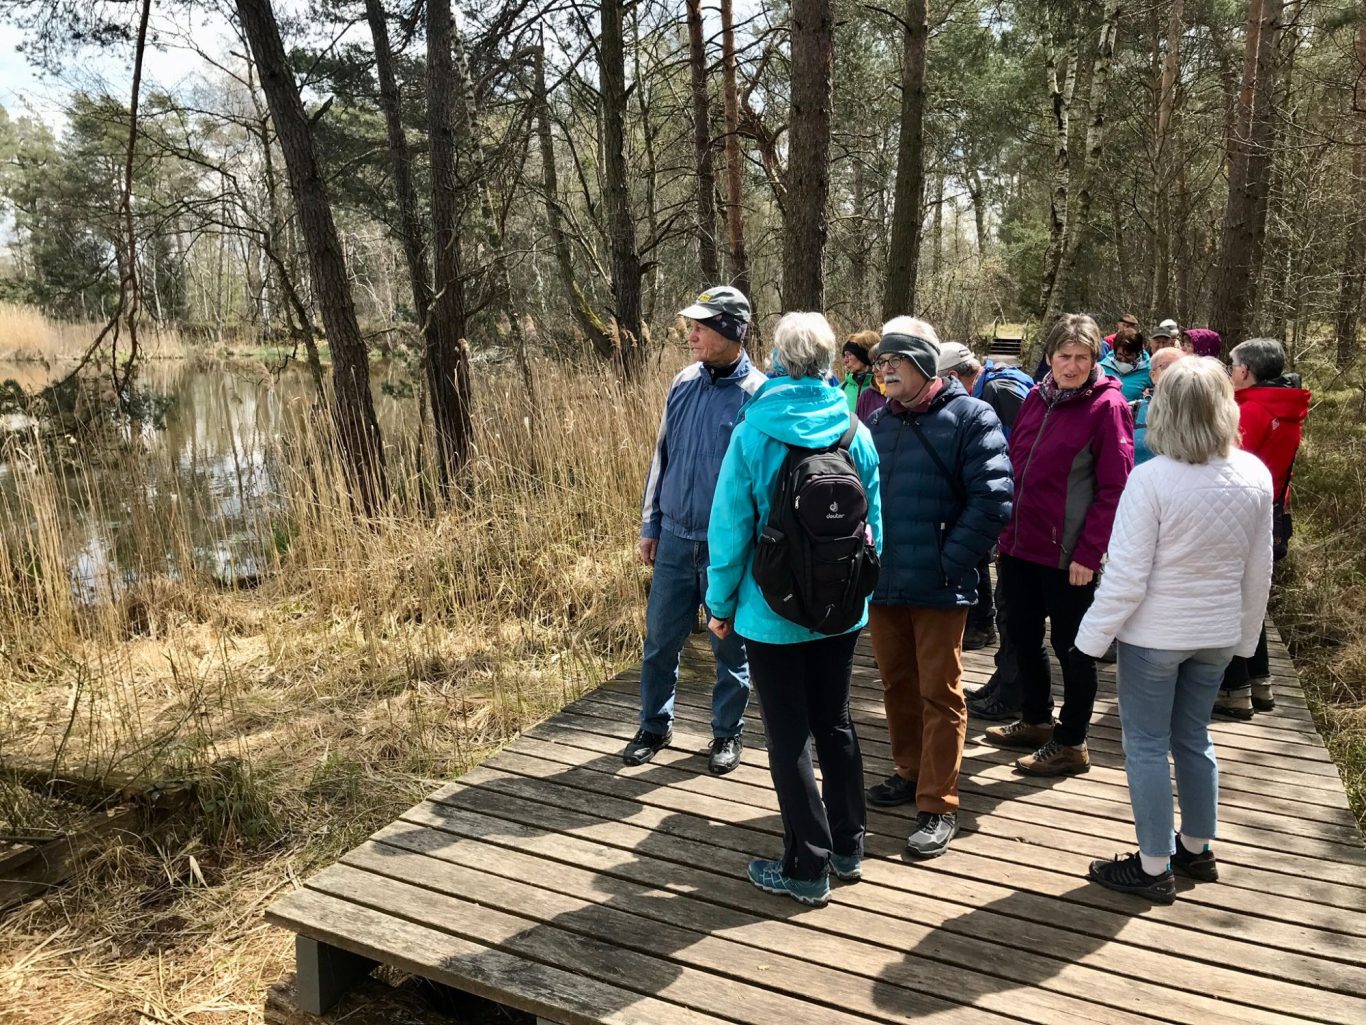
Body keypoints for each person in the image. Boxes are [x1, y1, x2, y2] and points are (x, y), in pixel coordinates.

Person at [1076, 357, 1273, 903]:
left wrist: (1089, 641)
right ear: (1224, 409)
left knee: (1144, 746)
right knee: (1194, 738)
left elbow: (1126, 576)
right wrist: (1245, 638)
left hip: (1155, 638)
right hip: (1216, 634)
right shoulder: (1254, 474)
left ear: (1163, 411)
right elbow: (1259, 572)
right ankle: (1197, 849)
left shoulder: (1151, 478)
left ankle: (1153, 865)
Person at [705, 311, 882, 907]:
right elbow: (873, 525)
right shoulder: (855, 430)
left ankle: (808, 868)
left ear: (778, 361)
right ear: (829, 361)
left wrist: (718, 604)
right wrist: (860, 592)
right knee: (835, 722)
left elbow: (730, 529)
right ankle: (850, 847)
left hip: (771, 611)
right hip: (842, 609)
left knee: (788, 738)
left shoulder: (753, 431)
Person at [864, 319, 1012, 857]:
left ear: (924, 366)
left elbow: (994, 499)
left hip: (940, 585)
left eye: (894, 362)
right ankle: (908, 772)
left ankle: (938, 803)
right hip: (884, 583)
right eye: (881, 364)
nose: (885, 372)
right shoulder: (877, 422)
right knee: (896, 685)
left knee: (940, 693)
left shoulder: (972, 416)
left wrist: (950, 562)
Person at [984, 313, 1134, 776]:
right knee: (1022, 636)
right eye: (1064, 356)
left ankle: (1072, 741)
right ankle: (1035, 719)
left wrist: (1089, 553)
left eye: (1081, 357)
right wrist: (1003, 531)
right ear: (1049, 357)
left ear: (1094, 359)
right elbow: (1014, 465)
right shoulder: (1036, 396)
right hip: (1020, 544)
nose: (1071, 366)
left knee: (1074, 648)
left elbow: (1115, 489)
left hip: (1069, 556)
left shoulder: (1107, 407)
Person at [628, 286, 767, 773]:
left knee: (730, 647)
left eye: (700, 327)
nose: (690, 336)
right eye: (691, 327)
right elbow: (661, 456)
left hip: (726, 549)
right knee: (659, 641)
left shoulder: (759, 394)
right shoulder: (683, 382)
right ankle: (653, 725)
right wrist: (651, 524)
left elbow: (760, 480)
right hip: (673, 539)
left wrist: (751, 546)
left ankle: (727, 732)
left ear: (731, 330)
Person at [1214, 338, 1311, 719]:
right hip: (1269, 510)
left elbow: (1229, 465)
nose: (1229, 371)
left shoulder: (1252, 410)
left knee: (1231, 600)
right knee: (1252, 600)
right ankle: (1260, 683)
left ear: (1244, 371)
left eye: (1232, 365)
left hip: (1240, 514)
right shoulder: (1285, 407)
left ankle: (1235, 691)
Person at [937, 341, 1032, 653]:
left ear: (953, 376)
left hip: (1005, 489)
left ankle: (982, 626)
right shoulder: (993, 383)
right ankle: (983, 625)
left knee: (978, 551)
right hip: (1000, 483)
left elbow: (1027, 439)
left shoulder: (996, 389)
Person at [1132, 347, 1186, 465]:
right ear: (1153, 375)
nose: (1175, 372)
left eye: (1182, 367)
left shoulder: (1199, 412)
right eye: (1167, 366)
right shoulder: (1132, 411)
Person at [1100, 331, 1154, 401]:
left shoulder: (1149, 372)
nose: (1123, 359)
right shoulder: (1102, 369)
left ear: (1138, 352)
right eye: (1120, 354)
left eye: (1128, 355)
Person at [840, 331, 880, 414]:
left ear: (864, 356)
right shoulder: (839, 391)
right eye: (844, 356)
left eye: (849, 355)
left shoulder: (884, 390)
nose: (845, 361)